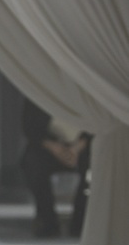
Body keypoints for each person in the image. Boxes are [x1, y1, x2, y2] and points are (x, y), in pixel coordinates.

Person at [20, 97, 92, 237]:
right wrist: (54, 147)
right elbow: (29, 127)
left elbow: (98, 127)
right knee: (31, 162)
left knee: (95, 165)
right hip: (49, 146)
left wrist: (76, 148)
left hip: (82, 147)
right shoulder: (39, 90)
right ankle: (47, 221)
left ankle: (81, 222)